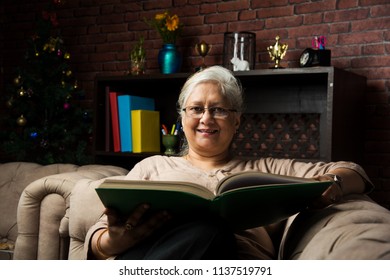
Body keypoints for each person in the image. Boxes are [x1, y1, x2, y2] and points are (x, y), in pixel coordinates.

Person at [85, 65, 373, 260]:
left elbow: (354, 171)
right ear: (183, 118)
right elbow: (98, 237)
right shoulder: (153, 167)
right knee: (205, 230)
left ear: (236, 121)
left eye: (219, 110)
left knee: (213, 231)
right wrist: (113, 242)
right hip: (154, 255)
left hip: (234, 264)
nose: (206, 118)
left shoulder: (267, 169)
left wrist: (333, 183)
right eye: (196, 109)